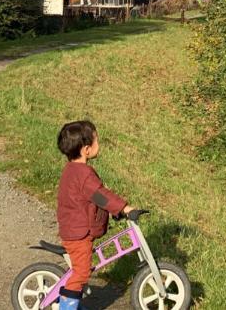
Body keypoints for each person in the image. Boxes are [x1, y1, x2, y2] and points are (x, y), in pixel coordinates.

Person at [56, 120, 134, 310]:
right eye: (97, 141)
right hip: (78, 233)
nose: (99, 145)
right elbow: (101, 195)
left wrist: (113, 209)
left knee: (80, 270)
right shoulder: (84, 174)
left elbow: (94, 197)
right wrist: (124, 208)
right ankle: (66, 307)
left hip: (73, 228)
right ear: (87, 149)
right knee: (81, 273)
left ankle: (73, 303)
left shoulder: (72, 170)